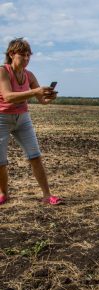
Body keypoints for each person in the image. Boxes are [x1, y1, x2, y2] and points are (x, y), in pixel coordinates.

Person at [0, 38, 61, 205]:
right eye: (22, 55)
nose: (26, 59)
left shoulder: (29, 75)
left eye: (28, 55)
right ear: (12, 54)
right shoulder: (3, 71)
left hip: (22, 119)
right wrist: (35, 91)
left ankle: (47, 195)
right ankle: (4, 194)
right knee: (1, 161)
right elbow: (8, 96)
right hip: (2, 119)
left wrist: (49, 97)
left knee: (35, 156)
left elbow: (41, 99)